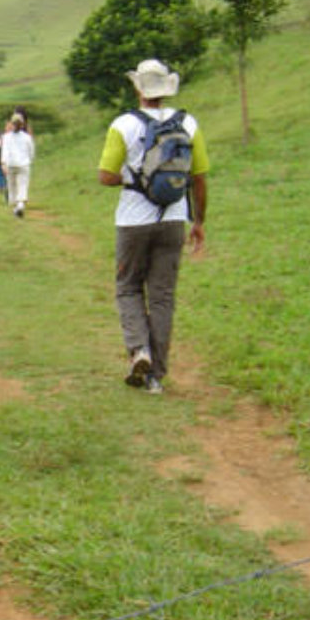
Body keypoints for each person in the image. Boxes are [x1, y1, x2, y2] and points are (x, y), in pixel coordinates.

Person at [97, 58, 209, 395]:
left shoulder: (123, 125)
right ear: (166, 89)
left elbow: (105, 176)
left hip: (133, 221)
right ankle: (156, 377)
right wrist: (198, 221)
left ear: (138, 88)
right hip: (174, 219)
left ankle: (139, 350)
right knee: (162, 297)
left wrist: (132, 178)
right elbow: (199, 178)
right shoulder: (188, 123)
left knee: (128, 287)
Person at [0, 112, 35, 218]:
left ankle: (17, 206)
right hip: (23, 164)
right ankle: (20, 205)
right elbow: (31, 151)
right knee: (22, 185)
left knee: (12, 186)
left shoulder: (6, 137)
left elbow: (5, 151)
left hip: (11, 164)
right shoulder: (27, 137)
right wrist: (30, 159)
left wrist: (3, 163)